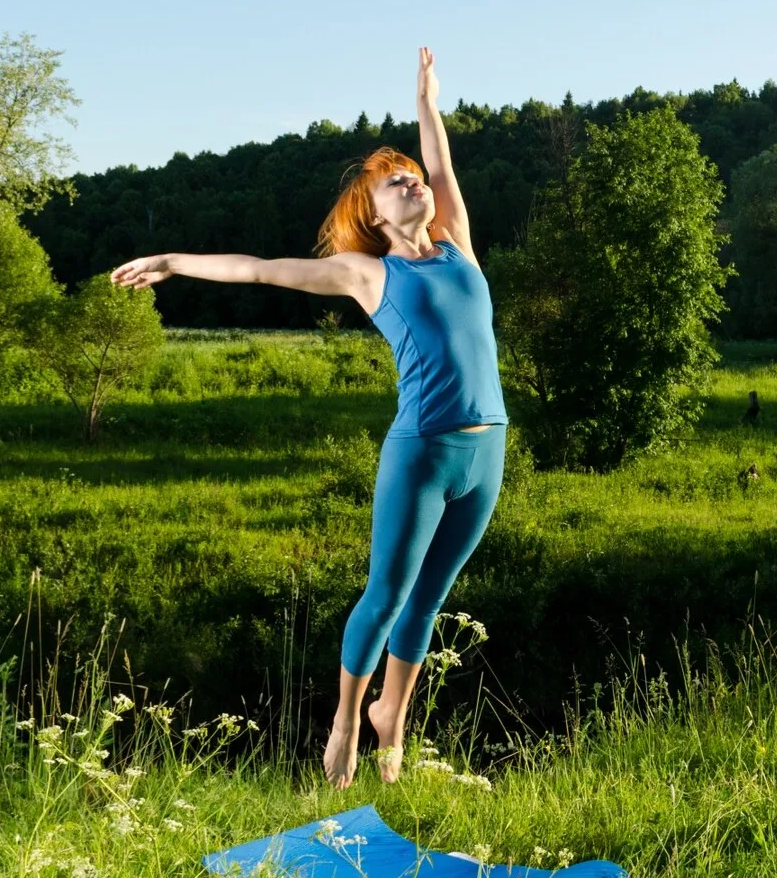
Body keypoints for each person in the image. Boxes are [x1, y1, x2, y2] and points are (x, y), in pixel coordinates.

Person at [111, 47, 507, 789]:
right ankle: (347, 720)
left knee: (430, 600)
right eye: (394, 183)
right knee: (386, 594)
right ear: (373, 213)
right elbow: (260, 267)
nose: (411, 182)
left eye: (412, 177)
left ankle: (395, 713)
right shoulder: (369, 273)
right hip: (422, 452)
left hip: (489, 452)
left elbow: (442, 159)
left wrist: (427, 100)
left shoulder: (458, 246)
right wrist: (171, 261)